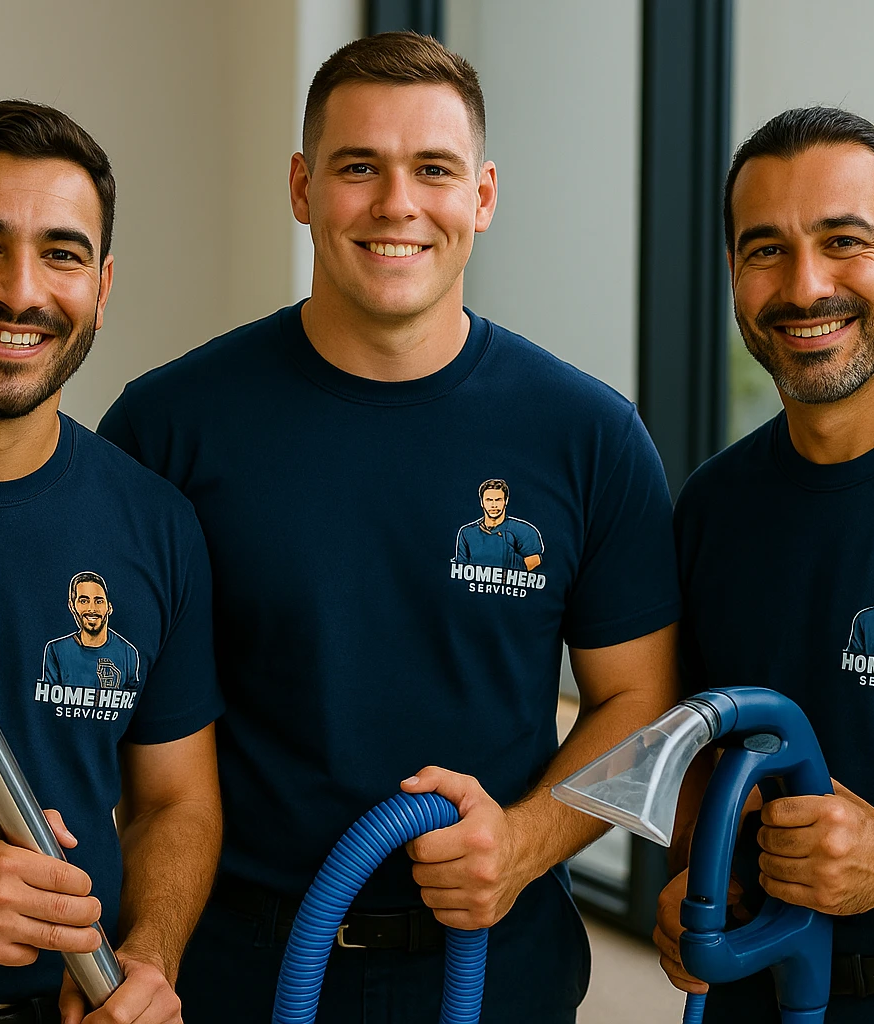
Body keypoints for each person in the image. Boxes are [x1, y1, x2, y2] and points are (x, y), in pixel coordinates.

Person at [100, 32, 680, 1023]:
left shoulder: (588, 435)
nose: (396, 204)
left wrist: (527, 842)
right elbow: (115, 716)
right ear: (302, 185)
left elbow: (641, 695)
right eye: (358, 166)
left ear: (483, 195)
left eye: (434, 170)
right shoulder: (169, 429)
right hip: (234, 967)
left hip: (493, 965)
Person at [0, 100, 224, 1024]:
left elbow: (176, 803)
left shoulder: (154, 523)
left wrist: (148, 958)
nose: (20, 291)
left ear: (102, 287)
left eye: (63, 254)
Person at [655, 107, 874, 1023]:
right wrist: (698, 876)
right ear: (733, 273)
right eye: (765, 249)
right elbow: (690, 758)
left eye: (844, 241)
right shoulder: (712, 510)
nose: (805, 287)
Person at [42, 572, 141, 691]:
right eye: (84, 601)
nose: (92, 609)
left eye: (99, 601)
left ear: (109, 607)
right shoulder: (56, 651)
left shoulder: (128, 653)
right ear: (72, 606)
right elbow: (47, 706)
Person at [454, 478, 544, 571]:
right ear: (482, 502)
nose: (493, 505)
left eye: (498, 500)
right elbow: (461, 569)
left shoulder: (524, 531)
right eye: (489, 500)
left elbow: (535, 560)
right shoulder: (467, 533)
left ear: (506, 501)